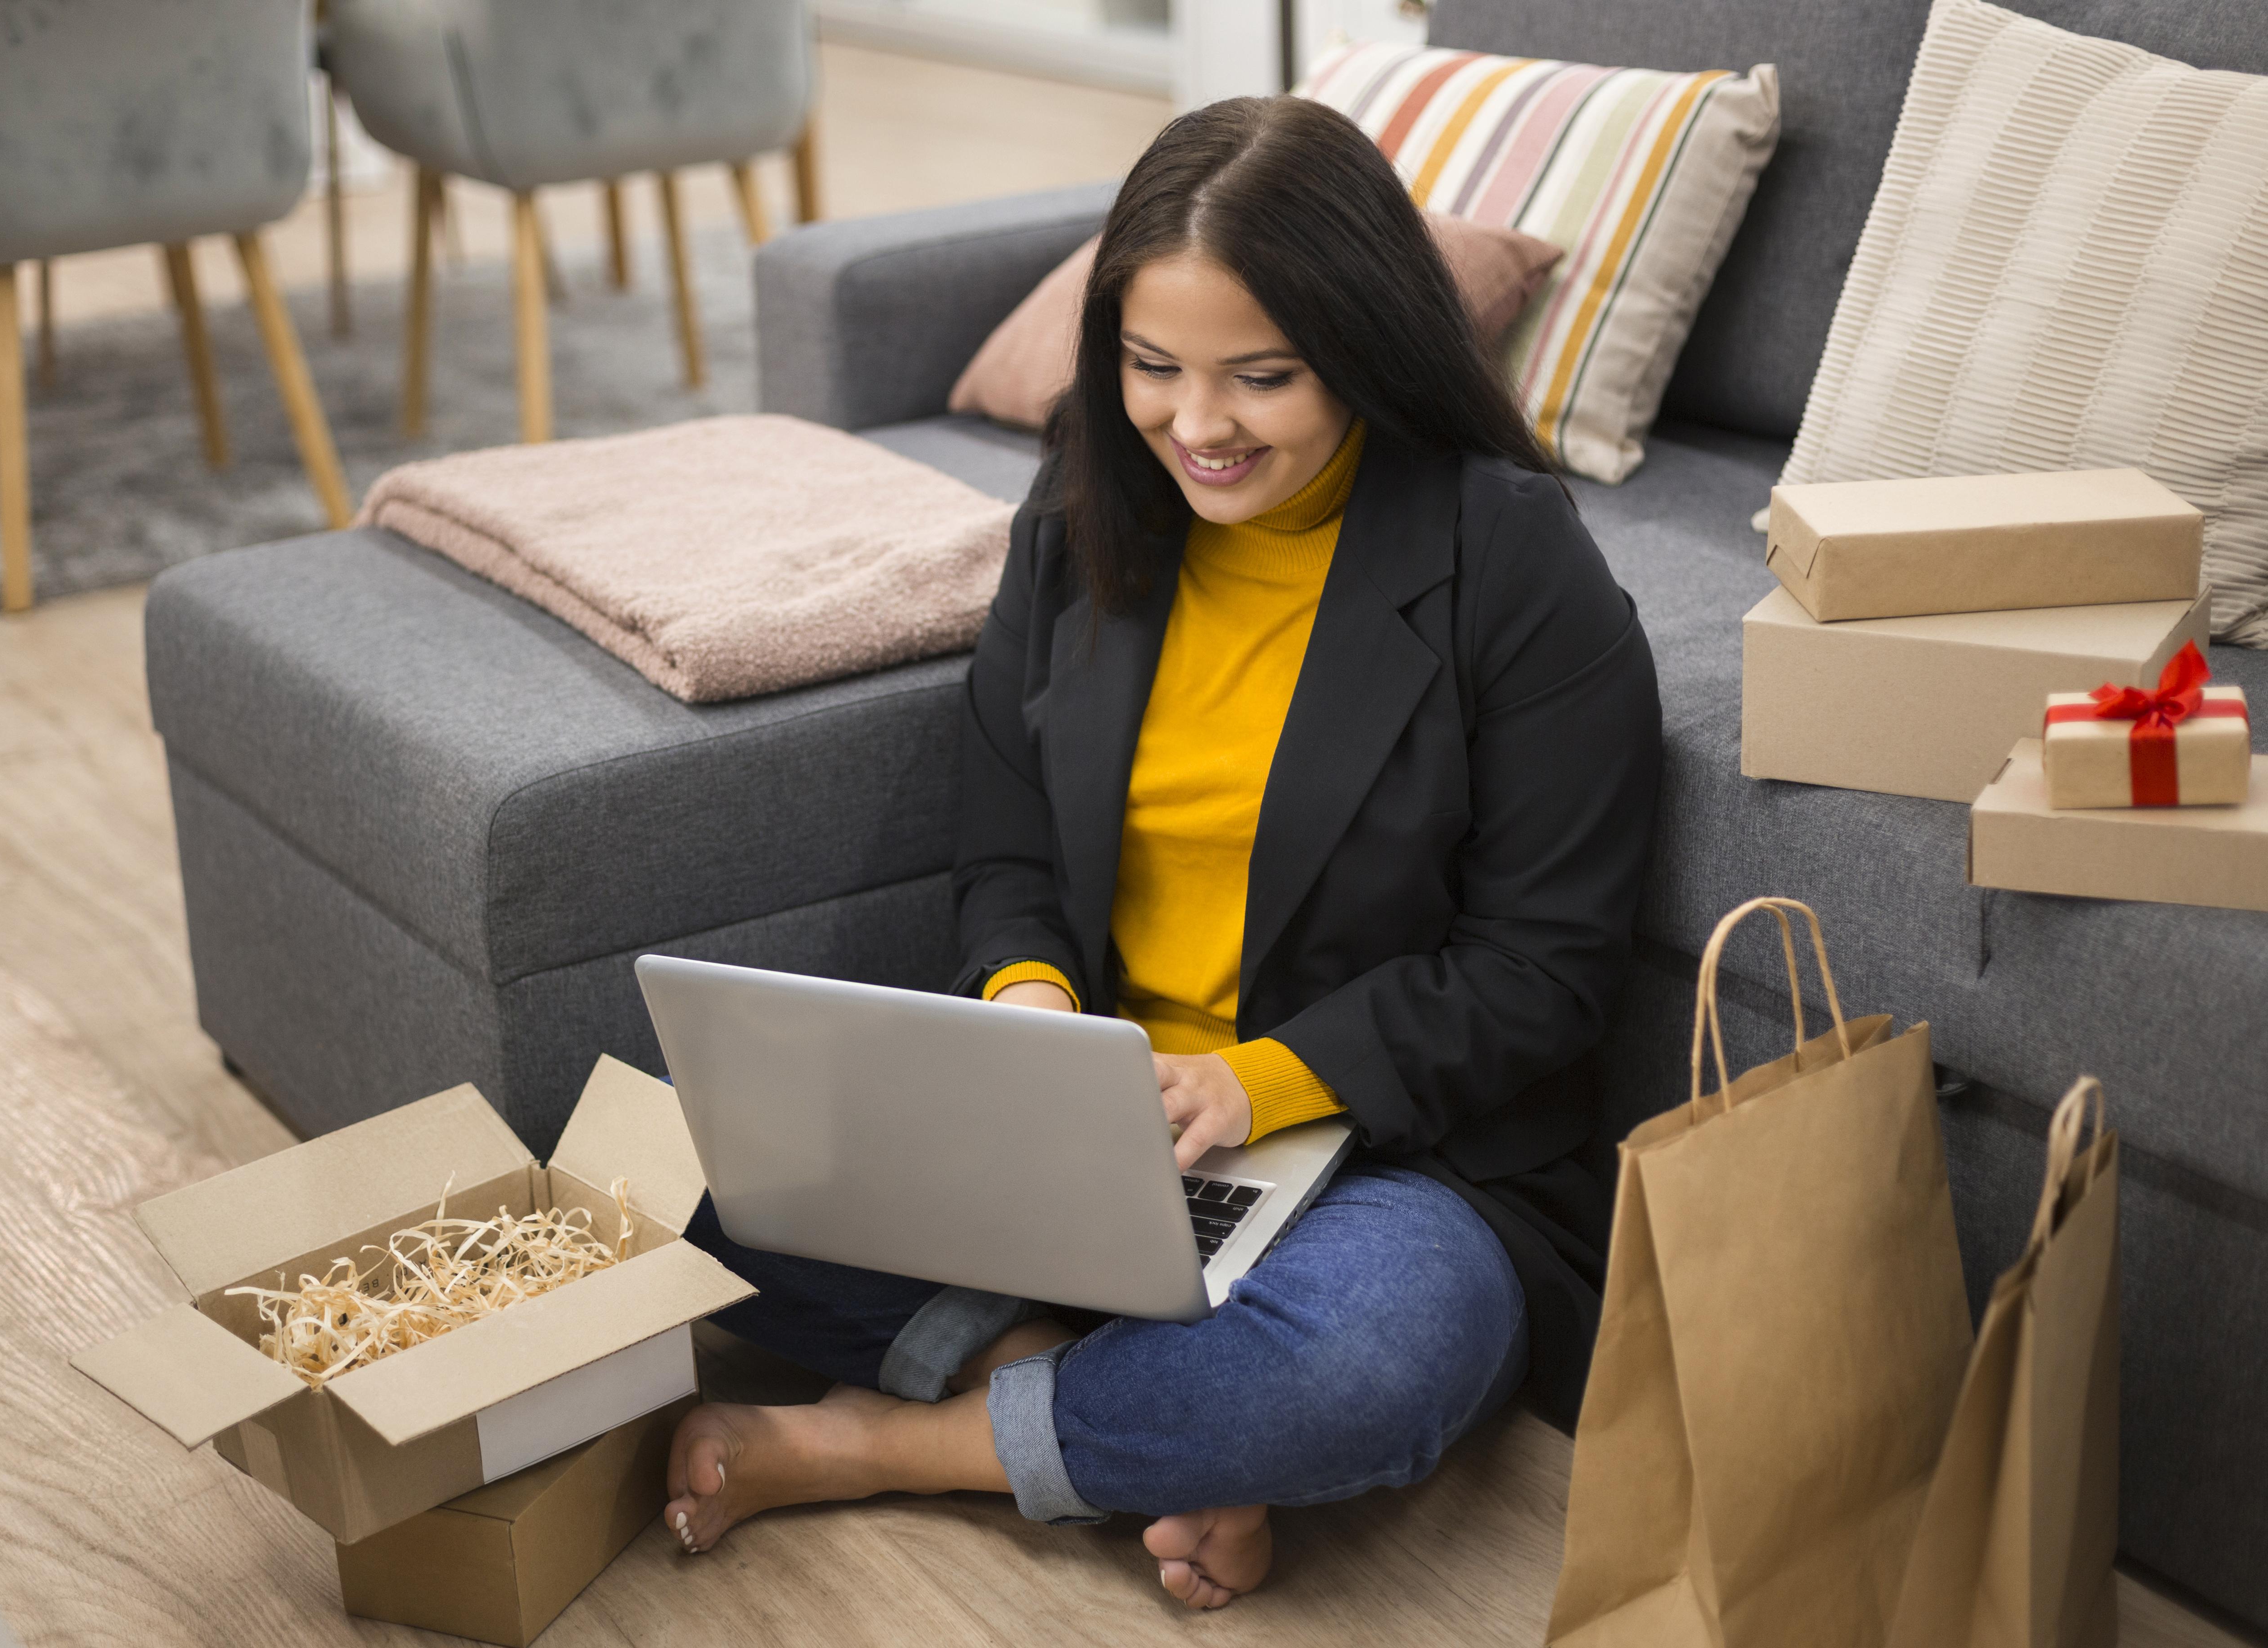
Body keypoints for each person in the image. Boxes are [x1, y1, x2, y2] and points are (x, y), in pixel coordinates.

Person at [662, 94, 1662, 1609]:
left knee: (1372, 1366)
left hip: (1382, 1161)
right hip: (1090, 1134)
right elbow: (1001, 854)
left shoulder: (1514, 568)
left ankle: (890, 1443)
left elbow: (1545, 971)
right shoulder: (1081, 521)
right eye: (1153, 368)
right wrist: (1030, 1023)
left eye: (1262, 377)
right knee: (689, 1161)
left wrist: (1252, 1084)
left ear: (1367, 348)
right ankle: (1117, 1411)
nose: (1198, 427)